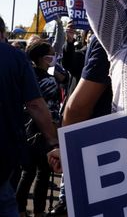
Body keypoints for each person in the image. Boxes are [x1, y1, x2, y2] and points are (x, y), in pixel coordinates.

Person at [0, 21, 60, 217]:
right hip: (7, 145)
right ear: (3, 33)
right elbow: (36, 104)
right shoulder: (15, 59)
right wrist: (52, 139)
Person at [16, 39, 62, 217]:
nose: (54, 57)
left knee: (27, 172)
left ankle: (19, 209)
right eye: (51, 54)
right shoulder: (49, 81)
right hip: (43, 131)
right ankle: (39, 211)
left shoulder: (27, 76)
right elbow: (51, 110)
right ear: (43, 58)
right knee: (43, 172)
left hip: (25, 129)